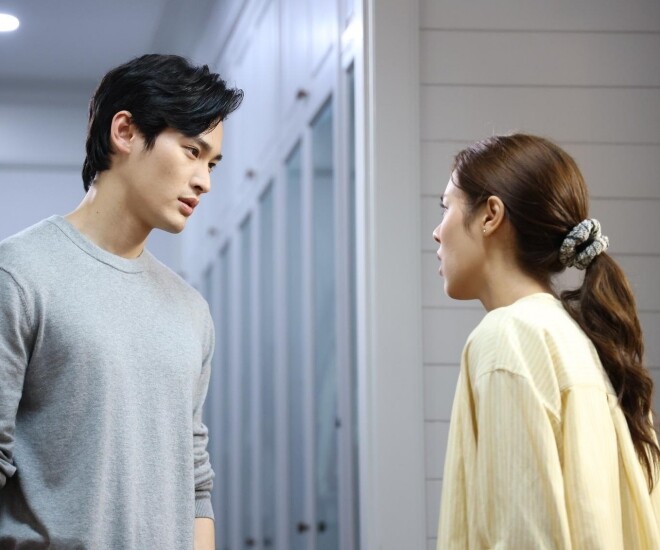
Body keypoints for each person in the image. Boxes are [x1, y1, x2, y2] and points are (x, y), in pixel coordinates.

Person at [0, 54, 243, 549]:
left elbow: (196, 483)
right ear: (126, 131)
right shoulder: (19, 275)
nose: (205, 181)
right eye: (192, 152)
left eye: (212, 163)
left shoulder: (191, 310)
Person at [433, 133, 660, 548]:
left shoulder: (508, 337)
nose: (437, 232)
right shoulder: (588, 342)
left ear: (490, 215)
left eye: (446, 207)